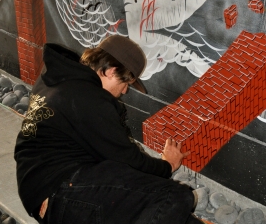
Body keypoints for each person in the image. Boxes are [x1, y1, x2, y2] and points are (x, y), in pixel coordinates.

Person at [14, 35, 204, 224]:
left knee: (173, 216)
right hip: (62, 194)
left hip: (44, 192)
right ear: (111, 72)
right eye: (125, 84)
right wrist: (167, 165)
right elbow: (128, 159)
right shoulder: (89, 98)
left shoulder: (59, 79)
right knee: (175, 196)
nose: (124, 92)